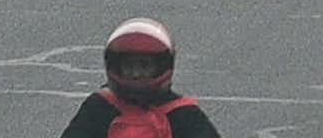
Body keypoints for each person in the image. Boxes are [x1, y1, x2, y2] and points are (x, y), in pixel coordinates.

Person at [56, 19, 223, 138]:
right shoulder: (100, 106)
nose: (136, 75)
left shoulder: (182, 114)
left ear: (162, 66)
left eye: (144, 67)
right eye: (129, 67)